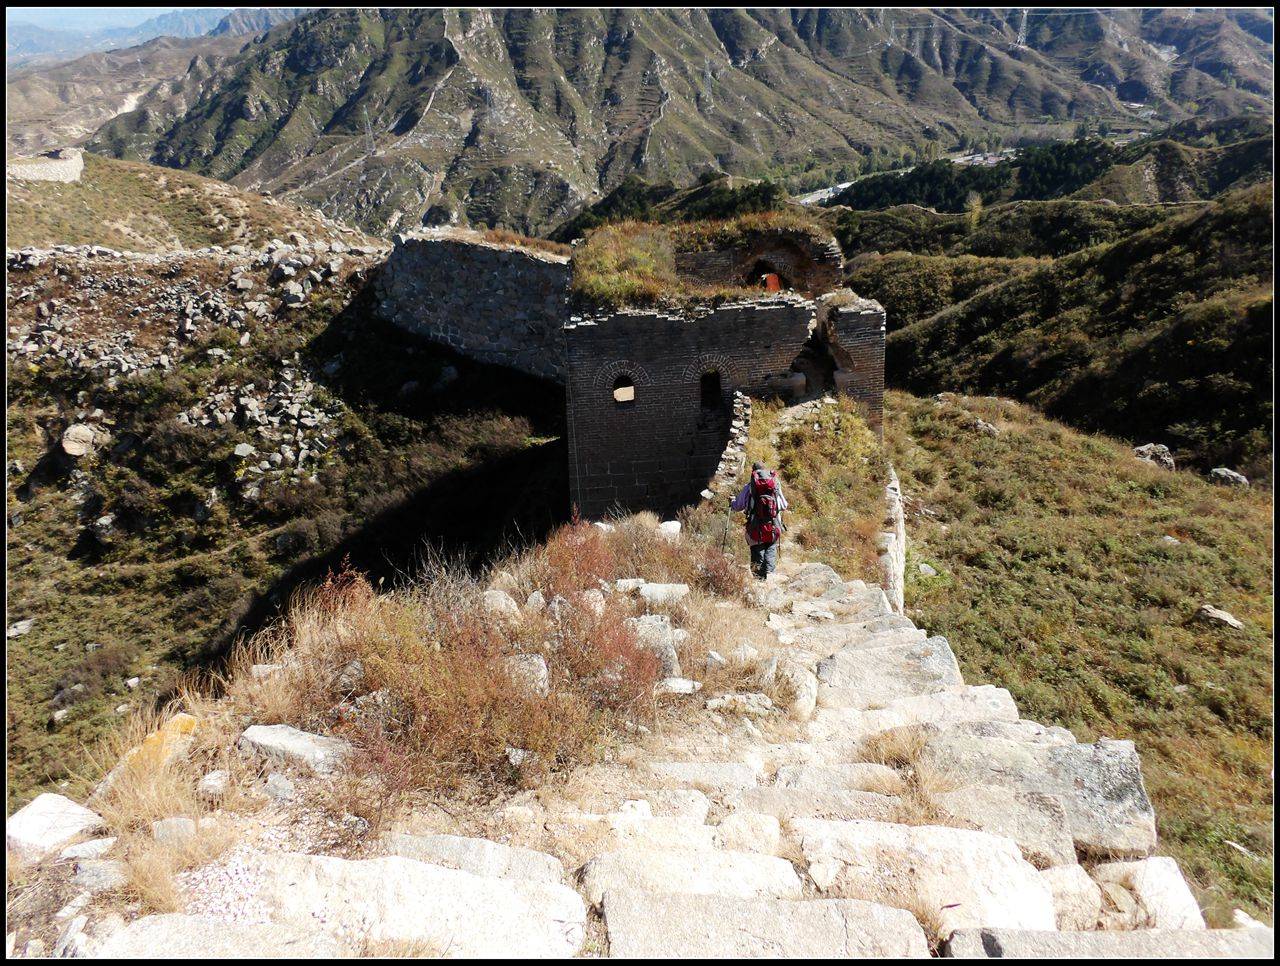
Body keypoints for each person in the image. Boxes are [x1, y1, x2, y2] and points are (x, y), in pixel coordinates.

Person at [730, 461, 789, 579]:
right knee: (770, 549)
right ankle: (770, 578)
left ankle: (759, 581)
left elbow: (738, 506)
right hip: (773, 525)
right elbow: (783, 505)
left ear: (753, 472)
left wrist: (731, 502)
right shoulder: (775, 485)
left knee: (757, 551)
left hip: (755, 526)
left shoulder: (749, 487)